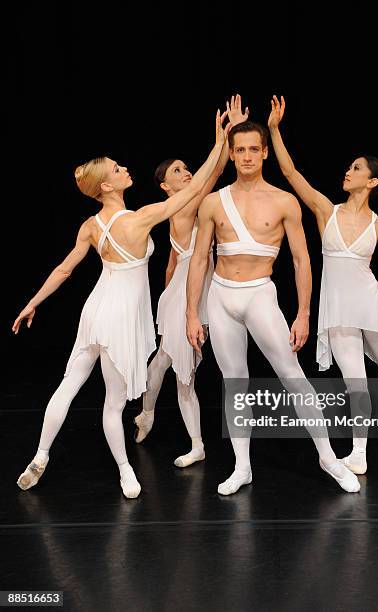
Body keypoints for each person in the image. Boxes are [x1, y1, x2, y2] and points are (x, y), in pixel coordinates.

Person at [12, 110, 230, 498]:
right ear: (107, 186)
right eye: (117, 169)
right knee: (112, 405)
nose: (124, 168)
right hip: (119, 315)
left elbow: (64, 270)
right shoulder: (140, 218)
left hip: (95, 308)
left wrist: (33, 302)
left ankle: (41, 454)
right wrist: (219, 141)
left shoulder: (90, 226)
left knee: (68, 385)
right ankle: (126, 472)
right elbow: (194, 192)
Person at [186, 120, 361, 495]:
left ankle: (328, 458)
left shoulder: (284, 201)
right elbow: (199, 259)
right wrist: (190, 313)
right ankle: (242, 466)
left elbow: (301, 260)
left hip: (260, 294)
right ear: (231, 154)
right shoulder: (213, 202)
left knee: (292, 375)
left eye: (254, 149)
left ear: (264, 152)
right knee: (235, 383)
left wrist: (303, 313)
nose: (247, 156)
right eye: (240, 150)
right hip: (220, 296)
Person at [268, 95, 378, 475]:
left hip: (370, 304)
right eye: (349, 166)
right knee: (354, 381)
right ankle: (359, 450)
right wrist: (276, 131)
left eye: (356, 168)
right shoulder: (326, 211)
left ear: (371, 181)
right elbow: (292, 173)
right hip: (338, 309)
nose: (348, 171)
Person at [134, 95, 250, 469]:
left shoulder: (190, 204)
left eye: (186, 169)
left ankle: (149, 415)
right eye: (178, 172)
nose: (186, 174)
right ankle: (192, 441)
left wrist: (228, 137)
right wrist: (222, 138)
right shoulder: (182, 203)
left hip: (197, 287)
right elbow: (209, 176)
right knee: (177, 370)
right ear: (166, 187)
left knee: (168, 364)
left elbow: (173, 258)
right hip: (189, 292)